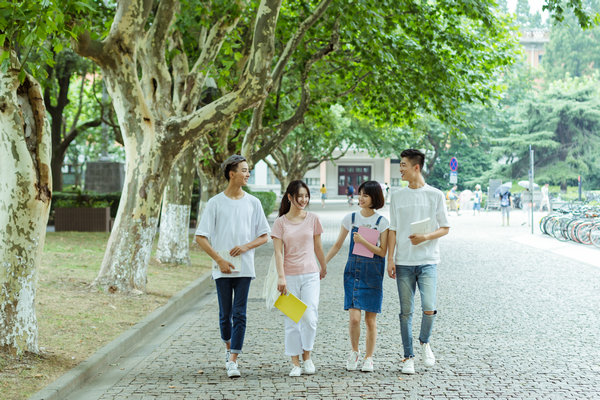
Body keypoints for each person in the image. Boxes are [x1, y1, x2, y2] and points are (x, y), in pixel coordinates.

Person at [195, 155, 270, 378]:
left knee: (240, 313)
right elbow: (201, 237)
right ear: (231, 173)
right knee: (224, 314)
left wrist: (246, 246)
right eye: (244, 170)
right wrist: (219, 260)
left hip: (245, 268)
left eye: (249, 171)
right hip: (223, 268)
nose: (248, 174)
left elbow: (264, 236)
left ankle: (233, 359)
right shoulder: (215, 203)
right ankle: (228, 348)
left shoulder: (253, 203)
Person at [387, 149, 450, 375]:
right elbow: (392, 229)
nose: (400, 169)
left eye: (403, 165)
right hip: (403, 262)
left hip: (428, 261)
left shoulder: (436, 195)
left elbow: (445, 227)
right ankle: (408, 356)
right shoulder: (397, 196)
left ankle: (425, 341)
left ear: (416, 167)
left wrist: (425, 237)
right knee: (405, 312)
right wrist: (390, 259)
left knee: (429, 307)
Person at [325, 181, 389, 373]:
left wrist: (362, 241)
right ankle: (354, 352)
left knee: (370, 320)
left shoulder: (382, 222)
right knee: (354, 318)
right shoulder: (350, 218)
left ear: (374, 198)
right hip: (353, 271)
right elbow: (337, 245)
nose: (360, 198)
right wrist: (322, 262)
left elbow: (383, 251)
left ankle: (369, 358)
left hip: (373, 273)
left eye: (366, 195)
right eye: (360, 194)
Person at [271, 180, 327, 377]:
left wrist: (324, 265)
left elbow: (318, 247)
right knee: (292, 320)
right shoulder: (280, 223)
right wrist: (281, 277)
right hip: (289, 276)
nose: (303, 200)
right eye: (299, 196)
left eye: (306, 196)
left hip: (311, 274)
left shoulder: (313, 219)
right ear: (289, 197)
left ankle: (307, 357)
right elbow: (278, 253)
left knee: (310, 317)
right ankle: (295, 363)